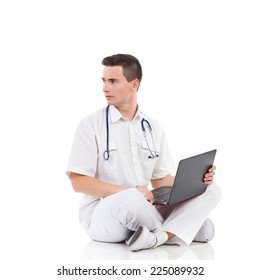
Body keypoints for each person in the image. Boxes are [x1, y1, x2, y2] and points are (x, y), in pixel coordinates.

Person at [66, 54, 221, 251]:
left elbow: (160, 181)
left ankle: (159, 236)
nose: (105, 87)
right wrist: (130, 192)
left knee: (212, 190)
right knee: (133, 201)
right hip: (104, 213)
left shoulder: (152, 127)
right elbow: (78, 182)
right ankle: (183, 228)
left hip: (144, 206)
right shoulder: (90, 125)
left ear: (134, 84)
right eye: (104, 81)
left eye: (113, 81)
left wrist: (196, 180)